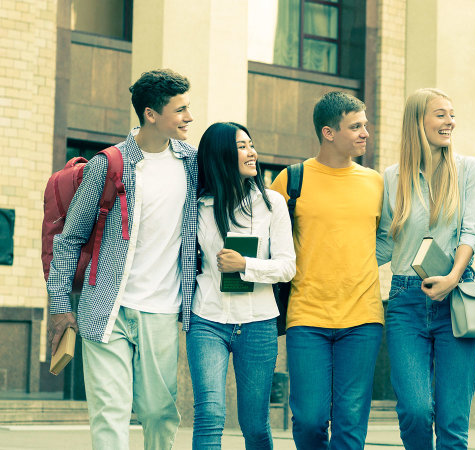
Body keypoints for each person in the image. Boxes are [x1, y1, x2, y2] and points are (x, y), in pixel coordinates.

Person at [46, 69, 197, 449]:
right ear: (151, 114)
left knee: (159, 413)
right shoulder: (108, 164)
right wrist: (61, 306)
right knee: (110, 411)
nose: (189, 118)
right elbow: (69, 240)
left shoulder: (193, 165)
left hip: (163, 309)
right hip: (105, 308)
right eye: (180, 110)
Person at [268, 91, 384, 449]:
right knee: (309, 419)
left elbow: (386, 240)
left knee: (351, 423)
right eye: (356, 126)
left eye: (365, 125)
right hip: (307, 316)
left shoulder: (376, 183)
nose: (365, 133)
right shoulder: (292, 180)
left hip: (363, 317)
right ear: (329, 132)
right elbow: (270, 242)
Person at [376, 87, 475, 449]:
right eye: (440, 114)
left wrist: (453, 277)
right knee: (415, 410)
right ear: (417, 121)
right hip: (406, 299)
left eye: (451, 114)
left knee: (453, 420)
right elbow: (383, 243)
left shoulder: (469, 170)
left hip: (458, 297)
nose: (450, 121)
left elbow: (473, 230)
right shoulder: (391, 178)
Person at [187, 122, 295, 449]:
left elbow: (287, 267)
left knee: (254, 425)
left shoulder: (272, 204)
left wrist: (245, 265)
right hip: (207, 318)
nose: (252, 153)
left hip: (258, 323)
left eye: (251, 144)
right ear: (221, 155)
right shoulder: (196, 207)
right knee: (210, 414)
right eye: (242, 147)